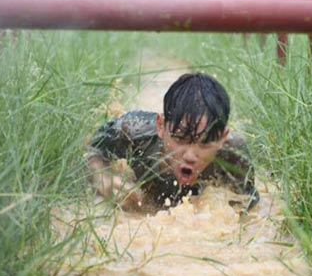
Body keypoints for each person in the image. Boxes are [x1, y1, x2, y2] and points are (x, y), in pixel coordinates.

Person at [86, 72, 259, 211]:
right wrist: (102, 175)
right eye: (180, 139)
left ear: (221, 138)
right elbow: (90, 150)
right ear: (161, 126)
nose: (190, 156)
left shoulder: (234, 154)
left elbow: (245, 202)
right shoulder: (132, 132)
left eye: (205, 143)